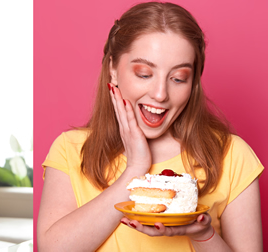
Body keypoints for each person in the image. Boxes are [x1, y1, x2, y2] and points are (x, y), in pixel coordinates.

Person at [37, 2, 263, 251]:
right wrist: (135, 170)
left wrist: (203, 234)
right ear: (113, 69)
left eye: (179, 78)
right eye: (144, 74)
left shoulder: (231, 155)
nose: (160, 94)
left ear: (194, 81)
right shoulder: (71, 149)